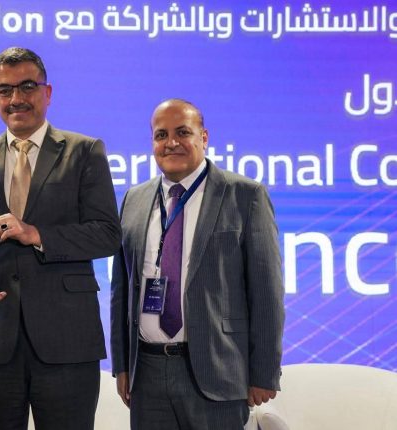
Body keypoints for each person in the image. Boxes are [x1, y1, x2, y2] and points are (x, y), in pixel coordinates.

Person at [0, 47, 121, 430]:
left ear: (47, 92)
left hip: (67, 339)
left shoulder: (84, 151)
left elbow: (107, 235)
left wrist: (36, 234)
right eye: (5, 90)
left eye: (27, 86)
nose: (16, 99)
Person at [110, 99, 285, 429]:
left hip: (217, 371)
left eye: (182, 132)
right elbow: (122, 289)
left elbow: (266, 292)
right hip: (147, 374)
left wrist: (263, 372)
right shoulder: (134, 199)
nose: (171, 142)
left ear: (203, 137)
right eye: (161, 135)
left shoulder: (245, 195)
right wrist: (122, 364)